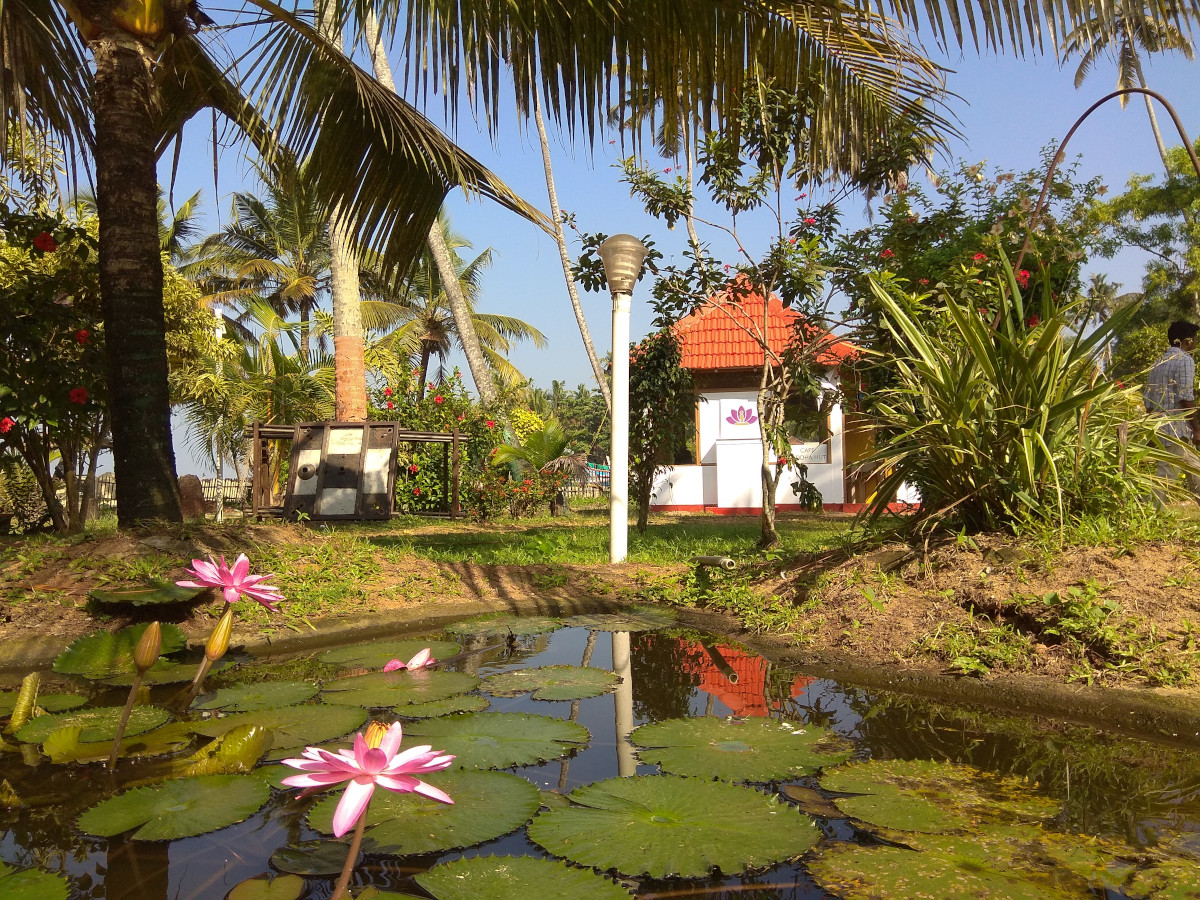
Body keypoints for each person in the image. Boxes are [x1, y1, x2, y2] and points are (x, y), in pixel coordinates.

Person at [1144, 320, 1200, 501]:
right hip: (1177, 429)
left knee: (1196, 470)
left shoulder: (1158, 362)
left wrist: (1152, 429)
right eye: (1195, 339)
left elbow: (1148, 400)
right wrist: (1197, 429)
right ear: (1187, 341)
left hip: (1163, 428)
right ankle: (1150, 514)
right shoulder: (1185, 361)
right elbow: (1185, 396)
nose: (1196, 342)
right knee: (1165, 477)